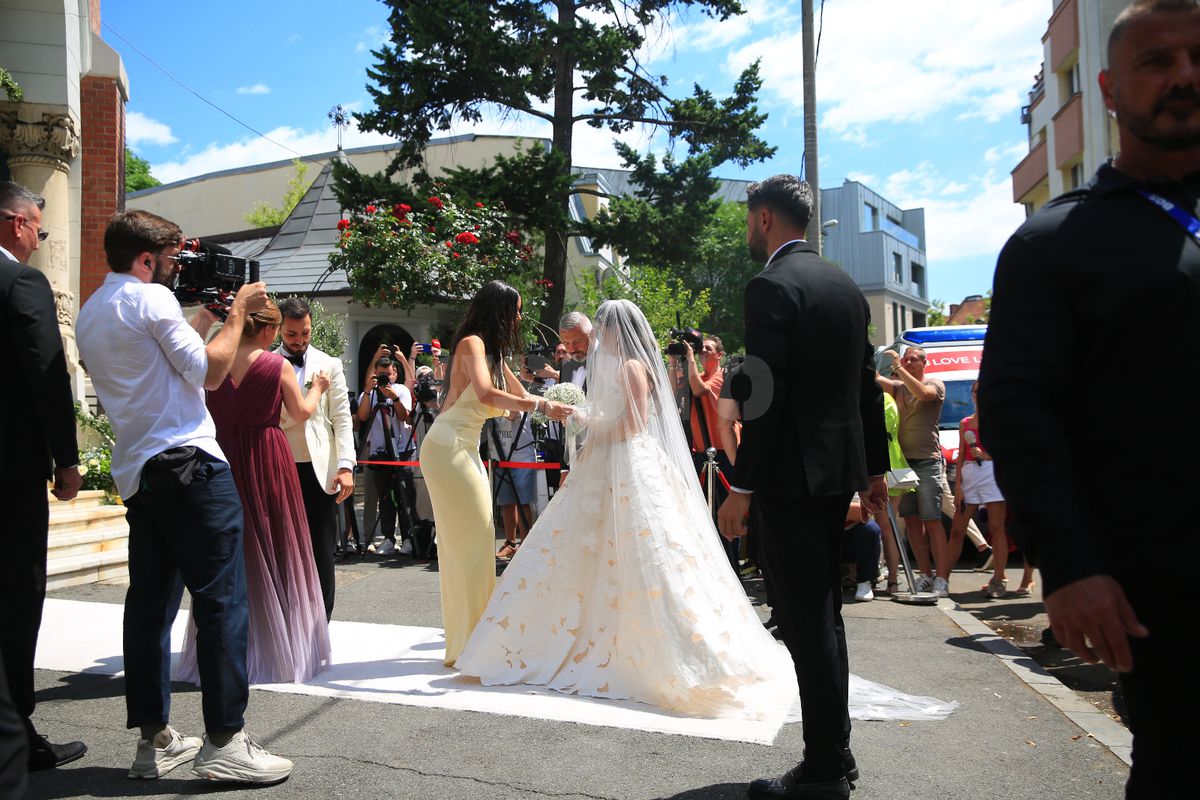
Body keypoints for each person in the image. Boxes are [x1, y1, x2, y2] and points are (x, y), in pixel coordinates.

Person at [981, 4, 1200, 796]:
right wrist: (1069, 565)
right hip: (1171, 596)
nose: (1183, 74)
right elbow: (1020, 412)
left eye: (1196, 55)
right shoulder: (1056, 245)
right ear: (1107, 90)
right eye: (1156, 62)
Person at [77, 209, 292, 783]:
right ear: (146, 259)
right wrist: (240, 311)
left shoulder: (93, 310)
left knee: (150, 606)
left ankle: (155, 741)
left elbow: (161, 364)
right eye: (171, 260)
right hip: (191, 464)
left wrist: (203, 318)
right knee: (222, 600)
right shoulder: (152, 300)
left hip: (141, 470)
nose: (177, 270)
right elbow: (210, 373)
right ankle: (225, 739)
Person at [717, 175, 890, 800]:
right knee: (825, 617)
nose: (746, 229)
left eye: (746, 219)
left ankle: (823, 763)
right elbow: (866, 386)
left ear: (765, 218)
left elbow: (762, 394)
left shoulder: (770, 286)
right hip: (836, 472)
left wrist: (743, 484)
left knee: (803, 616)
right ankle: (833, 751)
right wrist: (874, 469)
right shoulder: (845, 286)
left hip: (789, 477)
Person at [177, 298, 332, 684]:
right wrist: (318, 387)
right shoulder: (276, 364)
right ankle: (277, 642)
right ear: (267, 330)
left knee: (230, 550)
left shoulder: (215, 358)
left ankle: (227, 646)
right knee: (275, 544)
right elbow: (300, 413)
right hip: (266, 455)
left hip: (222, 452)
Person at [421, 281, 572, 667]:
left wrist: (559, 401)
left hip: (465, 448)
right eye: (516, 310)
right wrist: (539, 404)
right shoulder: (471, 343)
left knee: (477, 539)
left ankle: (474, 638)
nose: (519, 317)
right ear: (500, 310)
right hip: (448, 446)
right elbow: (489, 395)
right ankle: (467, 642)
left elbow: (517, 395)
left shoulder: (492, 351)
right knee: (466, 543)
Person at [0, 181, 86, 772]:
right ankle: (14, 733)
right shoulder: (20, 283)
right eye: (39, 227)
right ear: (15, 224)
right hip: (8, 474)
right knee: (15, 595)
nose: (39, 239)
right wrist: (66, 456)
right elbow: (46, 369)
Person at [275, 296, 356, 620]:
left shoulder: (329, 364)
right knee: (283, 548)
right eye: (292, 334)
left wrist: (346, 465)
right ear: (280, 328)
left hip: (320, 469)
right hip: (279, 464)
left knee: (322, 549)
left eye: (305, 333)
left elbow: (342, 419)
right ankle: (287, 622)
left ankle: (321, 623)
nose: (299, 341)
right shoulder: (266, 363)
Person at [878, 347, 950, 597]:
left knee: (932, 521)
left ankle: (942, 578)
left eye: (912, 359)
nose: (907, 362)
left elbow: (924, 393)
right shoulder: (899, 387)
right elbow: (874, 380)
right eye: (905, 359)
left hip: (928, 461)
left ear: (923, 363)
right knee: (912, 522)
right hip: (905, 463)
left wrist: (898, 368)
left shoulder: (935, 383)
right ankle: (925, 575)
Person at [673, 336, 738, 566]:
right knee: (703, 516)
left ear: (719, 354)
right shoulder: (697, 377)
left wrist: (689, 358)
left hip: (723, 453)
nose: (702, 353)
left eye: (707, 349)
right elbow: (675, 393)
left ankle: (731, 568)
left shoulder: (722, 378)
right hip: (701, 454)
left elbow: (700, 391)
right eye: (700, 350)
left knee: (725, 516)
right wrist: (674, 362)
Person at [947, 382, 1010, 599]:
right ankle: (942, 579)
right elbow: (961, 454)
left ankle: (999, 579)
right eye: (975, 392)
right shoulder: (965, 423)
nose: (978, 395)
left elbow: (1007, 450)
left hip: (991, 474)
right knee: (957, 528)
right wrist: (958, 487)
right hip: (969, 475)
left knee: (996, 528)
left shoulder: (999, 420)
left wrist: (987, 455)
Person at [357, 349, 416, 556]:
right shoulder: (371, 393)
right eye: (381, 374)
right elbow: (363, 416)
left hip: (402, 451)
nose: (384, 378)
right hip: (380, 452)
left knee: (405, 496)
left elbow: (404, 417)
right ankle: (389, 538)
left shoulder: (401, 390)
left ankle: (408, 538)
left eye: (388, 374)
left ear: (395, 374)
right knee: (385, 498)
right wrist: (367, 391)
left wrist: (394, 398)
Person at [485, 411, 538, 560]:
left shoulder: (516, 396)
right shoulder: (494, 397)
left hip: (522, 457)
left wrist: (491, 403)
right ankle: (510, 543)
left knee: (523, 502)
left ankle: (527, 543)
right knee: (506, 502)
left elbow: (512, 414)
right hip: (499, 454)